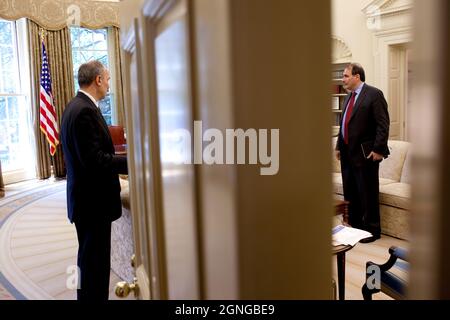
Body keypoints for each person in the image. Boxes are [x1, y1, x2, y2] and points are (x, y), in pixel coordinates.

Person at [61, 61, 128, 300]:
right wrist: (133, 163)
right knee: (95, 266)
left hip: (86, 201)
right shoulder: (84, 111)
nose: (109, 84)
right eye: (108, 79)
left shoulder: (75, 106)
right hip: (93, 204)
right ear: (98, 80)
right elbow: (96, 160)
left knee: (89, 261)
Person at [335, 63, 390, 243]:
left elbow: (383, 124)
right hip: (347, 154)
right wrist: (338, 146)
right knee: (351, 193)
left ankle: (372, 230)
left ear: (357, 76)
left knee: (367, 193)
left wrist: (378, 149)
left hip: (366, 154)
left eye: (345, 75)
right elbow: (345, 124)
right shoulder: (348, 98)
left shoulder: (374, 95)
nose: (342, 79)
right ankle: (357, 229)